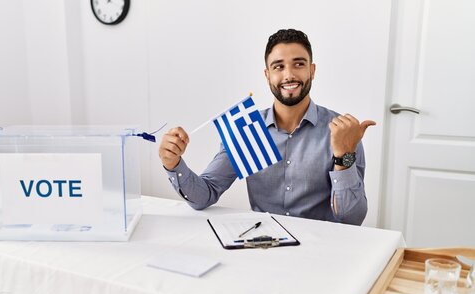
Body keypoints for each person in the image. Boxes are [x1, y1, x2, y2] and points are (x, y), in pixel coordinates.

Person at [158, 29, 376, 225]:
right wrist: (173, 164)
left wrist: (344, 157)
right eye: (278, 67)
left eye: (298, 64)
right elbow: (205, 195)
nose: (289, 75)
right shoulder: (247, 130)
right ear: (267, 75)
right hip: (263, 246)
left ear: (312, 70)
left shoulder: (341, 132)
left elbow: (351, 218)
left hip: (320, 250)